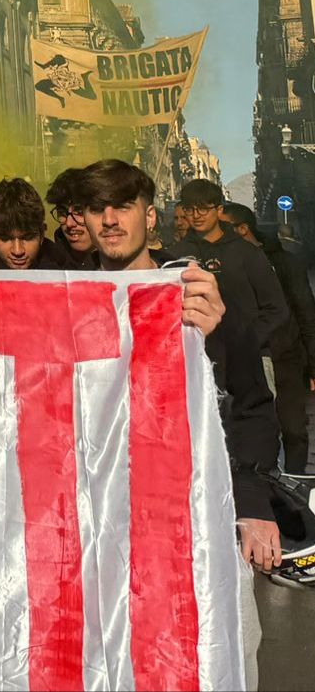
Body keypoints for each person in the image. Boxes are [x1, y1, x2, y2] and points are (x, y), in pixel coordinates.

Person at [73, 159, 272, 687]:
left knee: (211, 654)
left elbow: (251, 403)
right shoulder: (67, 299)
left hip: (195, 520)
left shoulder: (199, 290)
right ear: (85, 222)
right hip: (98, 529)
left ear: (150, 216)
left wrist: (253, 505)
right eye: (97, 208)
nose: (110, 219)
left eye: (123, 206)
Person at [175, 179, 291, 396]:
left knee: (257, 425)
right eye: (190, 209)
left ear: (219, 209)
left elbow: (276, 308)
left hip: (250, 359)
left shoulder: (247, 253)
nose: (196, 214)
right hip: (196, 361)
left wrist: (248, 341)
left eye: (204, 208)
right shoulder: (176, 256)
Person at [224, 201, 315, 471]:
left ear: (242, 229)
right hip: (248, 359)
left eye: (225, 227)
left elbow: (305, 311)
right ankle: (265, 488)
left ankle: (296, 483)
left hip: (286, 357)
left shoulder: (284, 262)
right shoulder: (225, 264)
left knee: (293, 429)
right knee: (258, 431)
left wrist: (312, 364)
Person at [0, 176, 67, 270]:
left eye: (28, 237)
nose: (18, 251)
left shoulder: (69, 271)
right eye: (5, 238)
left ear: (42, 232)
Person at [44, 168, 97, 268]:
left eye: (79, 211)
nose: (69, 223)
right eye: (62, 212)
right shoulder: (48, 263)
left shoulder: (121, 262)